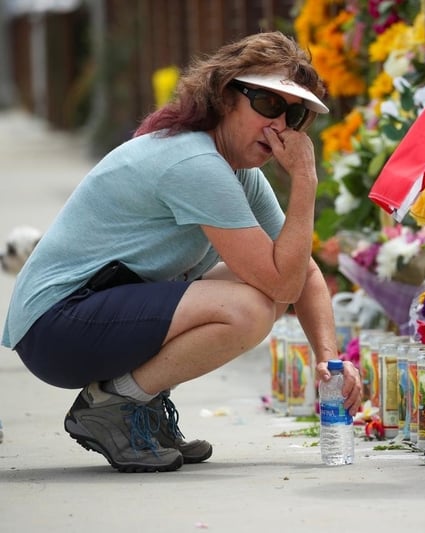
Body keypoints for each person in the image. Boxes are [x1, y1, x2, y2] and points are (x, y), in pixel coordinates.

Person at [1, 31, 362, 473]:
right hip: (55, 327)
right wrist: (305, 182)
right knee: (249, 306)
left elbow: (302, 274)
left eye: (296, 114)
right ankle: (113, 407)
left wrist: (331, 362)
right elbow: (282, 282)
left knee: (260, 289)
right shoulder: (195, 163)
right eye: (269, 104)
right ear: (227, 97)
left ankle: (137, 406)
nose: (281, 125)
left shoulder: (233, 169)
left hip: (86, 314)